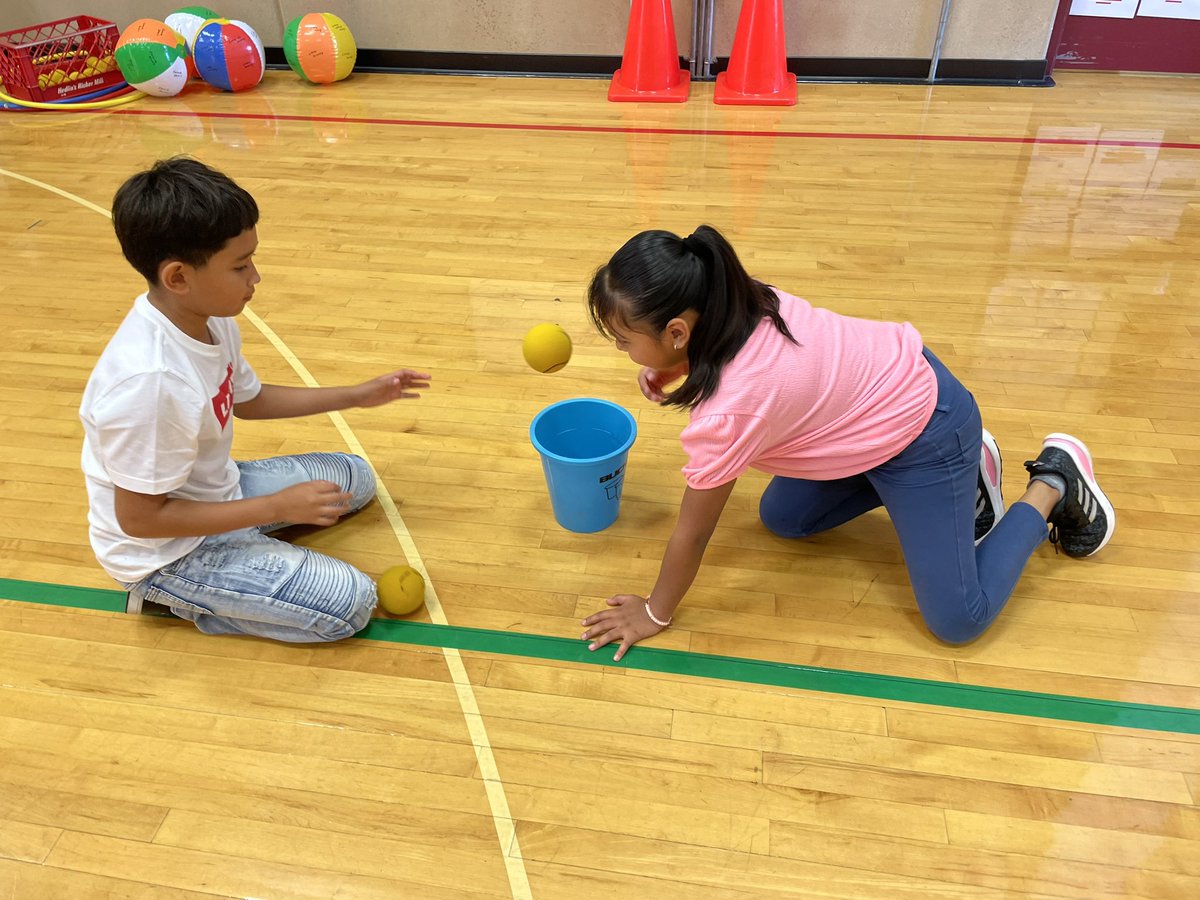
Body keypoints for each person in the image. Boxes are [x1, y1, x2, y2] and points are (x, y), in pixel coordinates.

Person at [580, 225, 1115, 660]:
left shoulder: (731, 412)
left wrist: (654, 612)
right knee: (784, 518)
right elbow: (741, 360)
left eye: (626, 341)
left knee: (958, 620)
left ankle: (1053, 483)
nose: (624, 351)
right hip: (873, 413)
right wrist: (677, 365)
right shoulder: (732, 295)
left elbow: (693, 534)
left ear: (677, 331)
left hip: (927, 432)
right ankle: (967, 474)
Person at [80, 157, 430, 642]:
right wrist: (274, 507)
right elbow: (139, 519)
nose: (256, 277)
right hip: (166, 552)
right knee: (349, 607)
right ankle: (178, 597)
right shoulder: (152, 385)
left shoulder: (207, 316)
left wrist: (356, 395)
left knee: (355, 477)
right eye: (241, 265)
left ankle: (244, 551)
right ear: (178, 277)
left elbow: (249, 399)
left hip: (212, 492)